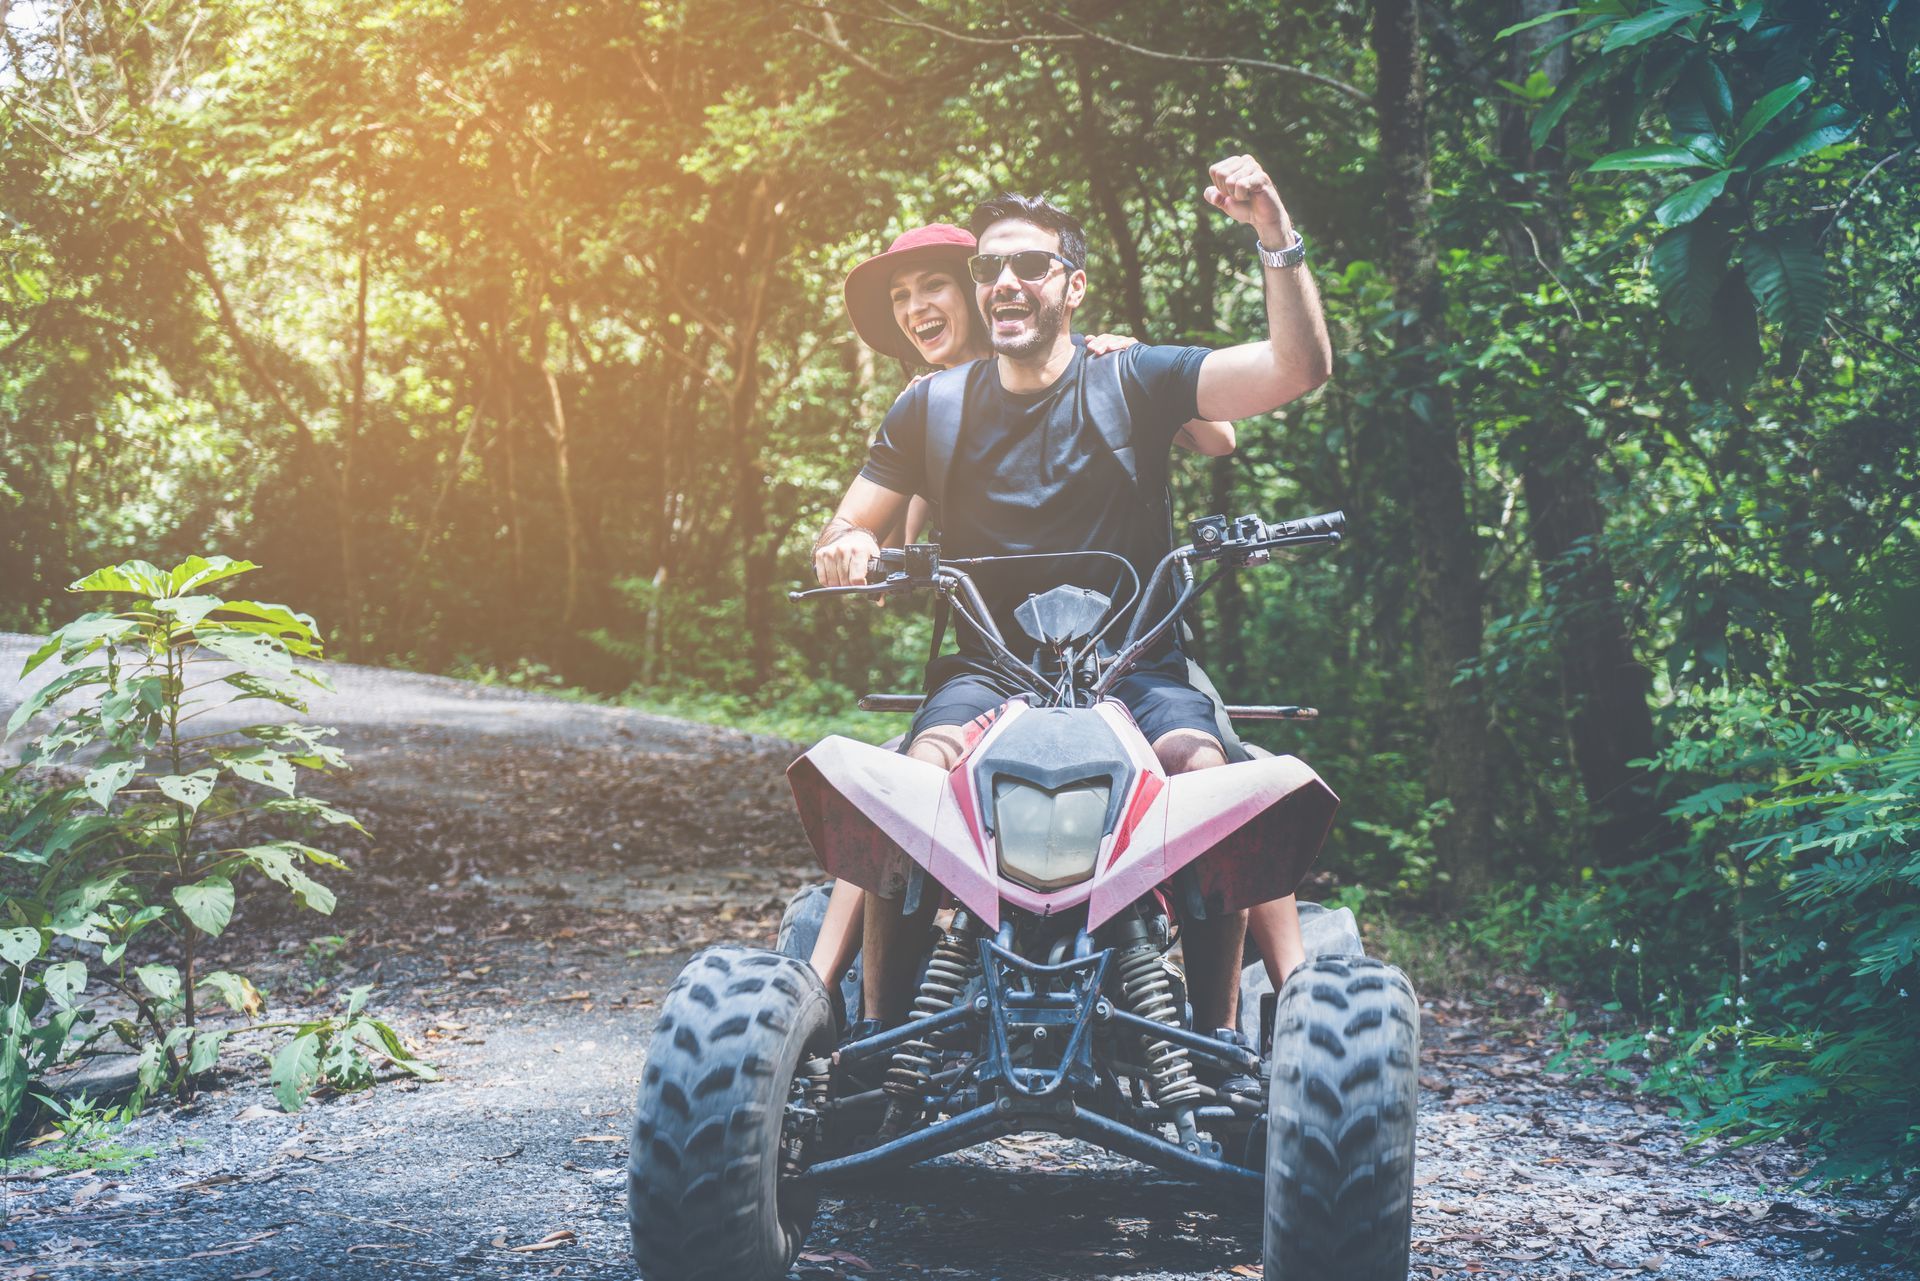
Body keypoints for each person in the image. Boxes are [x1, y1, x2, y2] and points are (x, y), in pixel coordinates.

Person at [816, 157, 1329, 1035]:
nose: (1005, 281)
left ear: (1073, 285)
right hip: (989, 671)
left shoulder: (1135, 376)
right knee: (907, 782)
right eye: (989, 268)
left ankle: (1216, 1044)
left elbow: (1296, 367)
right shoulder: (929, 406)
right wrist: (851, 544)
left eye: (1030, 265)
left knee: (1210, 773)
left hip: (1135, 665)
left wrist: (1273, 232)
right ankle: (874, 1048)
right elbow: (844, 527)